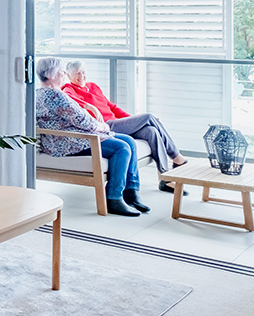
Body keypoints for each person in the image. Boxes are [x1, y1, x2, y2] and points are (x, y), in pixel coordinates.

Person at [35, 57, 149, 216]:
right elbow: (81, 119)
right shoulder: (55, 95)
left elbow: (76, 116)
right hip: (68, 142)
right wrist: (102, 126)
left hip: (70, 138)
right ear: (51, 74)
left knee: (129, 140)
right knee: (121, 148)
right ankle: (114, 198)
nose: (64, 74)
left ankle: (131, 191)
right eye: (61, 71)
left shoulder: (41, 93)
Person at [62, 60, 188, 193]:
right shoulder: (68, 89)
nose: (81, 76)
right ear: (69, 76)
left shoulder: (93, 86)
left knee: (151, 131)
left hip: (116, 123)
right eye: (77, 74)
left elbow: (112, 107)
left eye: (83, 72)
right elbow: (69, 101)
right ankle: (177, 157)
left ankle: (165, 179)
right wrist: (89, 106)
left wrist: (132, 120)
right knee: (149, 117)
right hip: (105, 127)